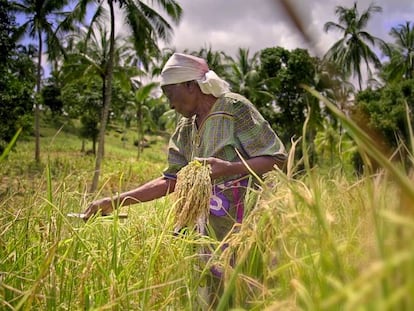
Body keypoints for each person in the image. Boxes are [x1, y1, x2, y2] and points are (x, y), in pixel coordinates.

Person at [84, 52, 287, 306]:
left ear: (191, 85)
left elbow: (278, 159)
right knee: (213, 295)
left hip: (247, 228)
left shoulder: (235, 109)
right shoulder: (185, 128)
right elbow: (171, 179)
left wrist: (228, 168)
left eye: (170, 95)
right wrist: (114, 201)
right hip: (208, 234)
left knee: (252, 293)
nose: (170, 104)